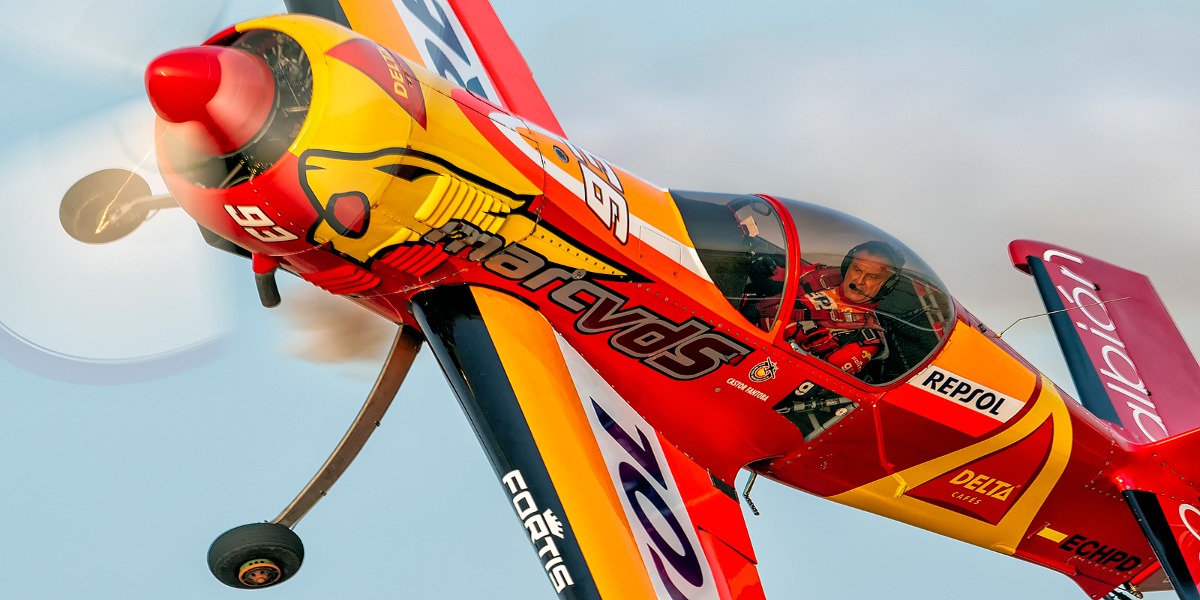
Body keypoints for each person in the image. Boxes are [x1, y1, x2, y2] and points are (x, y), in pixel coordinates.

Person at [785, 241, 904, 376]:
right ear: (847, 266)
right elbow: (778, 274)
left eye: (872, 276)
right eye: (857, 270)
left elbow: (818, 379)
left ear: (887, 286)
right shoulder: (821, 275)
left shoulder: (865, 340)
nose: (859, 281)